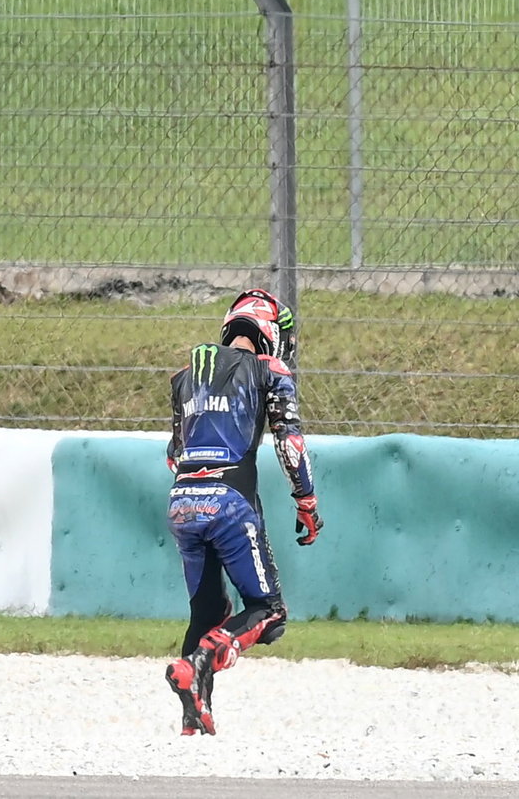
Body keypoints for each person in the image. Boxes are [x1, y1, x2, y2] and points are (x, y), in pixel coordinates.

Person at [165, 289, 322, 736]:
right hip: (230, 500)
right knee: (269, 611)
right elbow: (289, 442)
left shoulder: (185, 375)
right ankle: (200, 661)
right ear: (271, 333)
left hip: (182, 501)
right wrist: (306, 501)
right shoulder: (269, 369)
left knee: (208, 608)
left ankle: (194, 718)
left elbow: (175, 455)